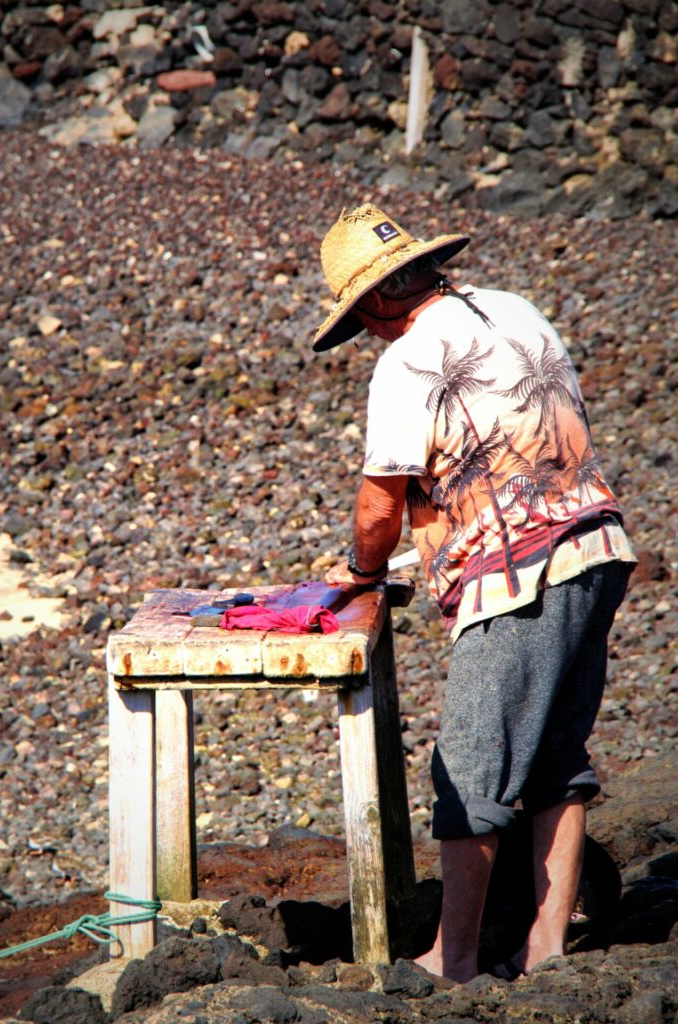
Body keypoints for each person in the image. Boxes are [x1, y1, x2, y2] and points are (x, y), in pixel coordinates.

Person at [314, 204, 636, 983]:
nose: (370, 336)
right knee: (557, 757)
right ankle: (547, 947)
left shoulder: (409, 360)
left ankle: (452, 958)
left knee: (470, 765)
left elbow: (379, 508)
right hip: (598, 547)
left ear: (378, 300)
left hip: (519, 573)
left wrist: (362, 575)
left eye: (363, 320)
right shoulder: (514, 308)